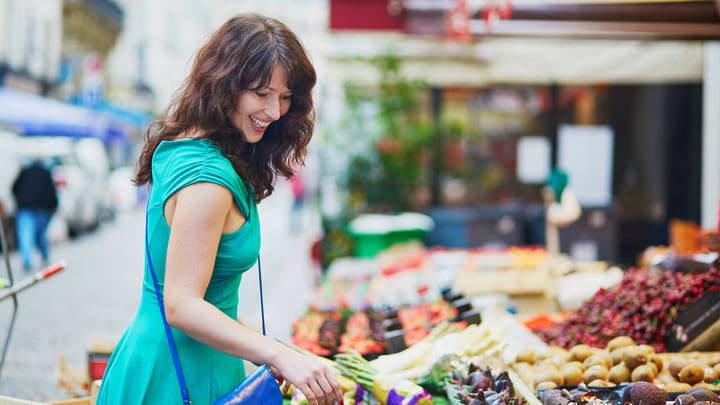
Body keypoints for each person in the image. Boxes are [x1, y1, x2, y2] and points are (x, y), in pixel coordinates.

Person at [96, 15, 342, 405]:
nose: (276, 111)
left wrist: (265, 351)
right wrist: (277, 353)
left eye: (284, 96)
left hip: (191, 360)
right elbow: (181, 304)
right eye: (261, 93)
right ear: (225, 84)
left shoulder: (190, 147)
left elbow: (212, 299)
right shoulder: (208, 178)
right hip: (177, 374)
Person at [12, 158, 58, 271]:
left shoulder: (24, 171)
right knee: (40, 233)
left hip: (25, 207)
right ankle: (44, 254)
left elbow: (14, 188)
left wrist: (19, 199)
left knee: (25, 233)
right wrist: (53, 206)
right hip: (41, 208)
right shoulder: (45, 172)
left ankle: (27, 259)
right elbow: (51, 191)